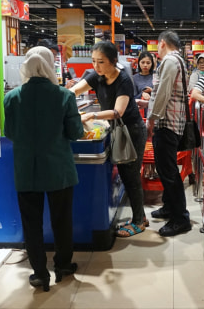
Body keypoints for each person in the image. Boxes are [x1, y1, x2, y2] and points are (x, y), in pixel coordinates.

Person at [3, 46, 84, 292]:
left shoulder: (12, 97)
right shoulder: (64, 96)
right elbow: (75, 133)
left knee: (31, 223)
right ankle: (62, 266)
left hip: (26, 170)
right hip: (59, 169)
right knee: (62, 220)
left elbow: (10, 133)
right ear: (50, 65)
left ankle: (39, 274)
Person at [68, 41, 148, 237]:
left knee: (131, 175)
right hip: (118, 131)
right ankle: (140, 217)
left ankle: (139, 221)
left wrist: (92, 116)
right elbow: (74, 92)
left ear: (113, 61)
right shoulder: (97, 76)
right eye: (93, 61)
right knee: (126, 173)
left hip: (132, 132)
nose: (96, 66)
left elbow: (117, 112)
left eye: (101, 62)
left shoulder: (124, 81)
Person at [147, 30, 192, 237]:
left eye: (157, 46)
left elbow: (163, 91)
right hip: (174, 121)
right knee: (167, 170)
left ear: (162, 43)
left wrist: (152, 118)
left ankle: (180, 218)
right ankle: (168, 207)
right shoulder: (180, 61)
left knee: (169, 172)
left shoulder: (169, 61)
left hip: (167, 123)